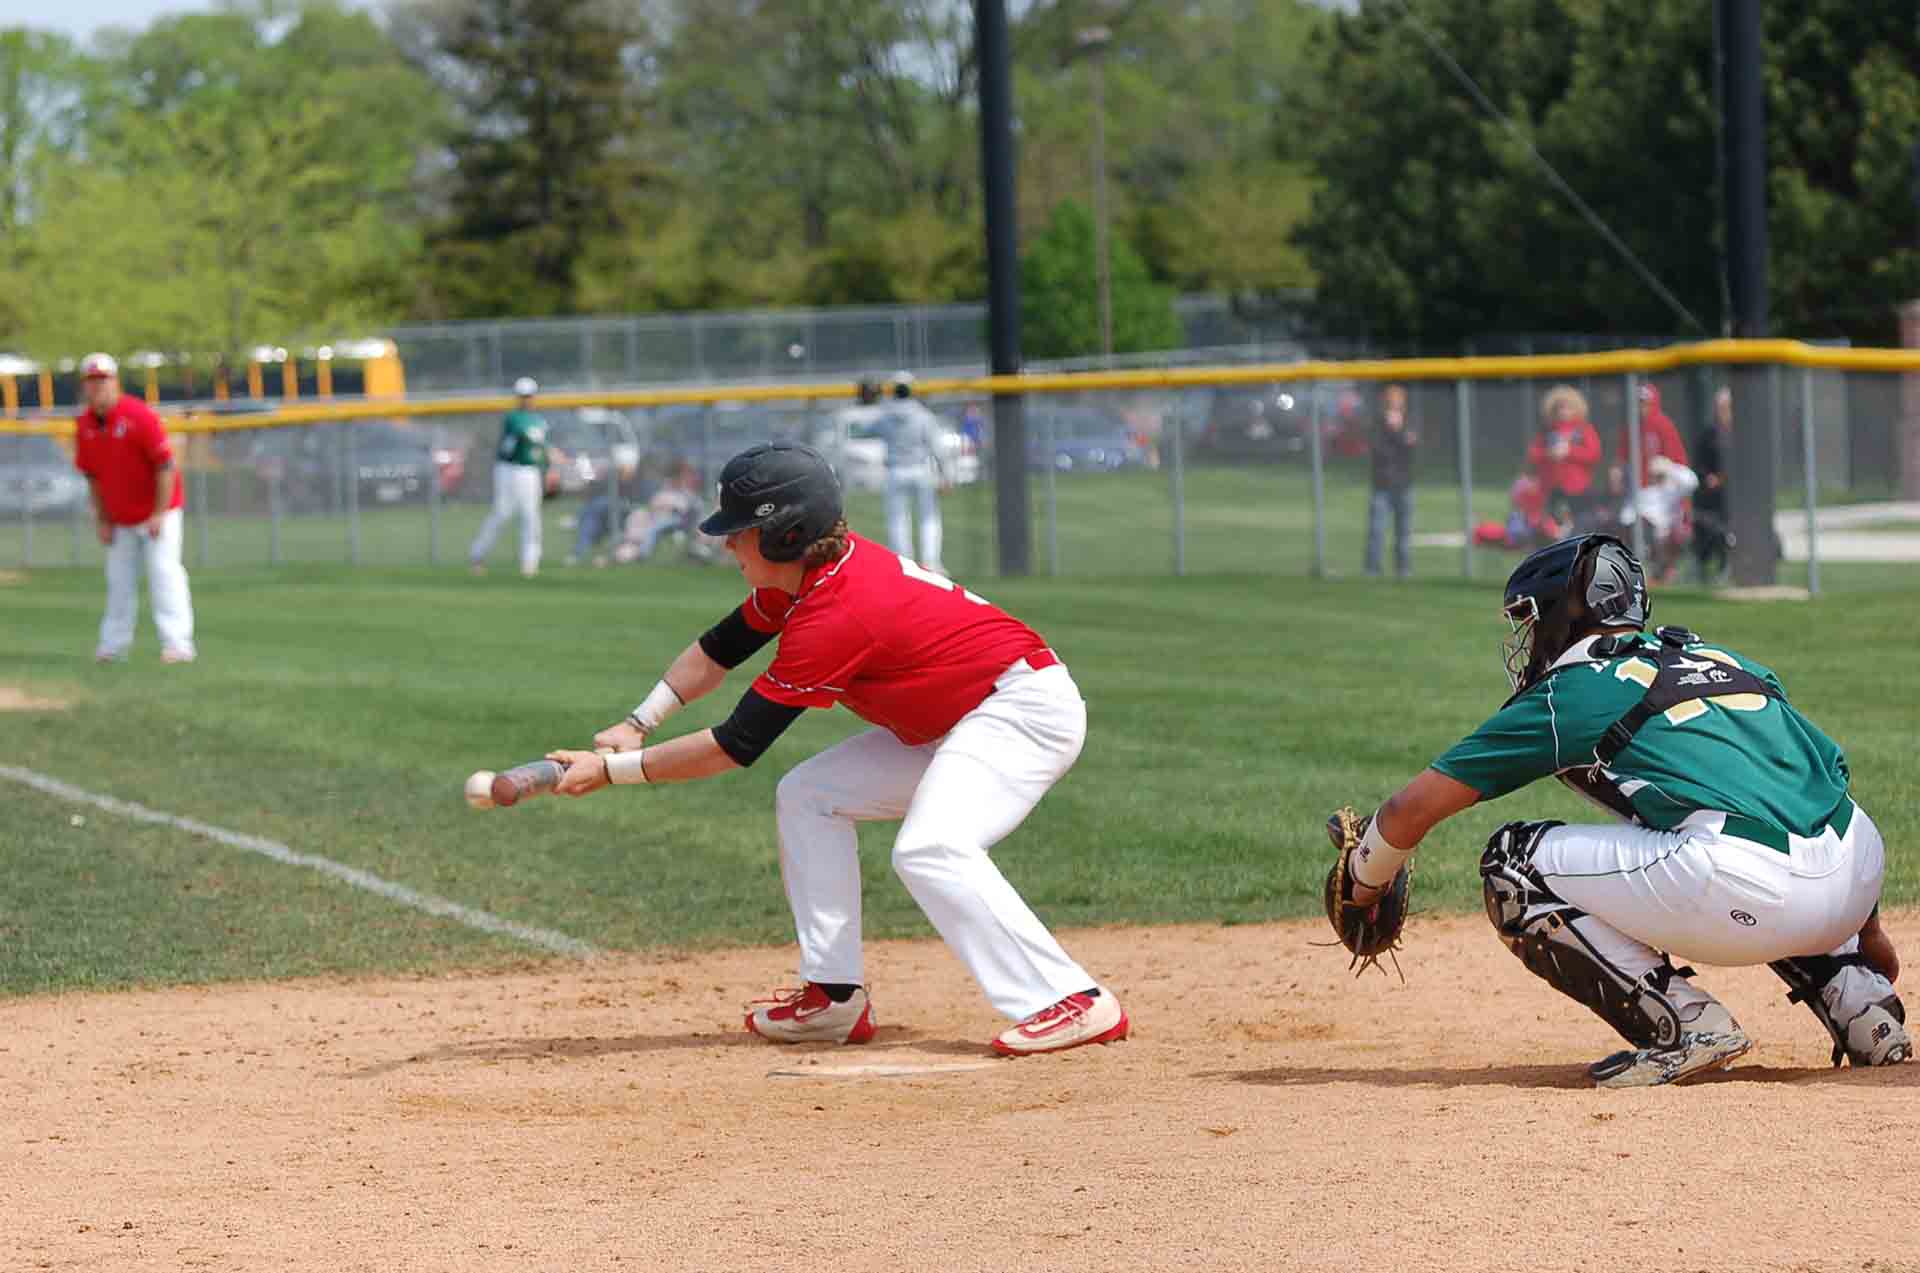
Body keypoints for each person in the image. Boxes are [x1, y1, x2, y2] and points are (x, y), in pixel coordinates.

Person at [544, 442, 1128, 1057]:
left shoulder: (837, 610)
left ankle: (1071, 999)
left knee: (932, 848)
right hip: (954, 720)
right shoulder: (801, 579)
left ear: (784, 534)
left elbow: (735, 745)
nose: (727, 544)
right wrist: (639, 722)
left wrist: (610, 772)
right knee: (809, 796)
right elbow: (720, 649)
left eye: (740, 531)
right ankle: (834, 997)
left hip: (1019, 713)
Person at [1327, 533, 1908, 1087]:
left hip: (1753, 891)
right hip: (1855, 872)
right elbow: (1826, 778)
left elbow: (1410, 810)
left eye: (1532, 620)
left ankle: (1684, 1024)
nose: (1530, 641)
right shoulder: (1720, 658)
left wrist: (1364, 881)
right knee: (1745, 819)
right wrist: (1869, 932)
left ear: (1566, 613)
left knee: (1514, 864)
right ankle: (1862, 1009)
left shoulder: (1576, 688)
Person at [70, 352, 196, 664]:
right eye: (92, 381)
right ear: (85, 386)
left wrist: (158, 513)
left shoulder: (138, 415)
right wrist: (103, 519)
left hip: (158, 512)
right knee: (118, 582)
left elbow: (166, 466)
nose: (98, 386)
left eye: (103, 379)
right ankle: (113, 648)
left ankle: (178, 645)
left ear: (115, 382)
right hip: (120, 518)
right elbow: (93, 478)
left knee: (164, 575)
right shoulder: (84, 424)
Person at [468, 377, 565, 578]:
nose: (527, 399)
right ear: (518, 397)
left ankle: (530, 563)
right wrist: (550, 451)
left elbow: (541, 449)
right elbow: (527, 437)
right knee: (502, 513)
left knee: (531, 517)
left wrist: (550, 469)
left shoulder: (540, 420)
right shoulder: (513, 418)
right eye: (523, 396)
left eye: (529, 395)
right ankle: (477, 554)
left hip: (530, 472)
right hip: (508, 469)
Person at [878, 371, 949, 575]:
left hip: (895, 471)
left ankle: (904, 565)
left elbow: (865, 428)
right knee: (929, 518)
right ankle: (931, 563)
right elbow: (937, 448)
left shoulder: (885, 415)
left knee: (898, 519)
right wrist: (945, 475)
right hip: (921, 470)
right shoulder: (923, 415)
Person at [1527, 385, 1603, 531]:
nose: (1563, 411)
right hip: (1552, 488)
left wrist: (1570, 451)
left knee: (1580, 526)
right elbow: (1533, 454)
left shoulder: (1583, 429)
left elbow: (1594, 454)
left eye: (1568, 407)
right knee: (1553, 527)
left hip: (1578, 489)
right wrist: (1549, 453)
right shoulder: (1548, 430)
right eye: (1559, 408)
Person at [1363, 384, 1417, 577]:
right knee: (1377, 531)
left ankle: (1403, 570)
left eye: (1397, 402)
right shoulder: (1377, 424)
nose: (1394, 406)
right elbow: (1379, 451)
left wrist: (1398, 429)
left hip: (1404, 485)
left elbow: (1410, 446)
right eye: (1390, 402)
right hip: (1382, 485)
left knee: (1403, 533)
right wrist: (1390, 429)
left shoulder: (1409, 422)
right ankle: (1372, 570)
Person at [1692, 386, 1734, 583]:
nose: (1721, 411)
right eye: (1718, 407)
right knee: (1703, 521)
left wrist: (1724, 478)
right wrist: (1708, 477)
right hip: (1710, 494)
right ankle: (1702, 565)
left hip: (1732, 493)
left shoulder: (1740, 433)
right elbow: (1699, 464)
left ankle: (1726, 563)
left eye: (1725, 407)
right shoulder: (1708, 434)